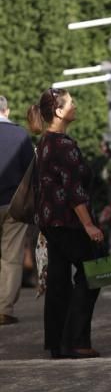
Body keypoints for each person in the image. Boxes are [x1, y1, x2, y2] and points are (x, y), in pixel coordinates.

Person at [27, 88, 104, 359]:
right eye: (71, 102)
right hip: (70, 222)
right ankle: (76, 340)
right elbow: (74, 191)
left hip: (50, 222)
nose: (75, 105)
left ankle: (57, 343)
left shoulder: (46, 142)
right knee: (95, 271)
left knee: (59, 280)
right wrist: (89, 225)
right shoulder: (64, 145)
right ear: (59, 111)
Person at [0, 95, 35, 325]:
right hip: (13, 204)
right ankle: (4, 309)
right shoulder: (20, 134)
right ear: (7, 111)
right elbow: (32, 170)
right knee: (11, 257)